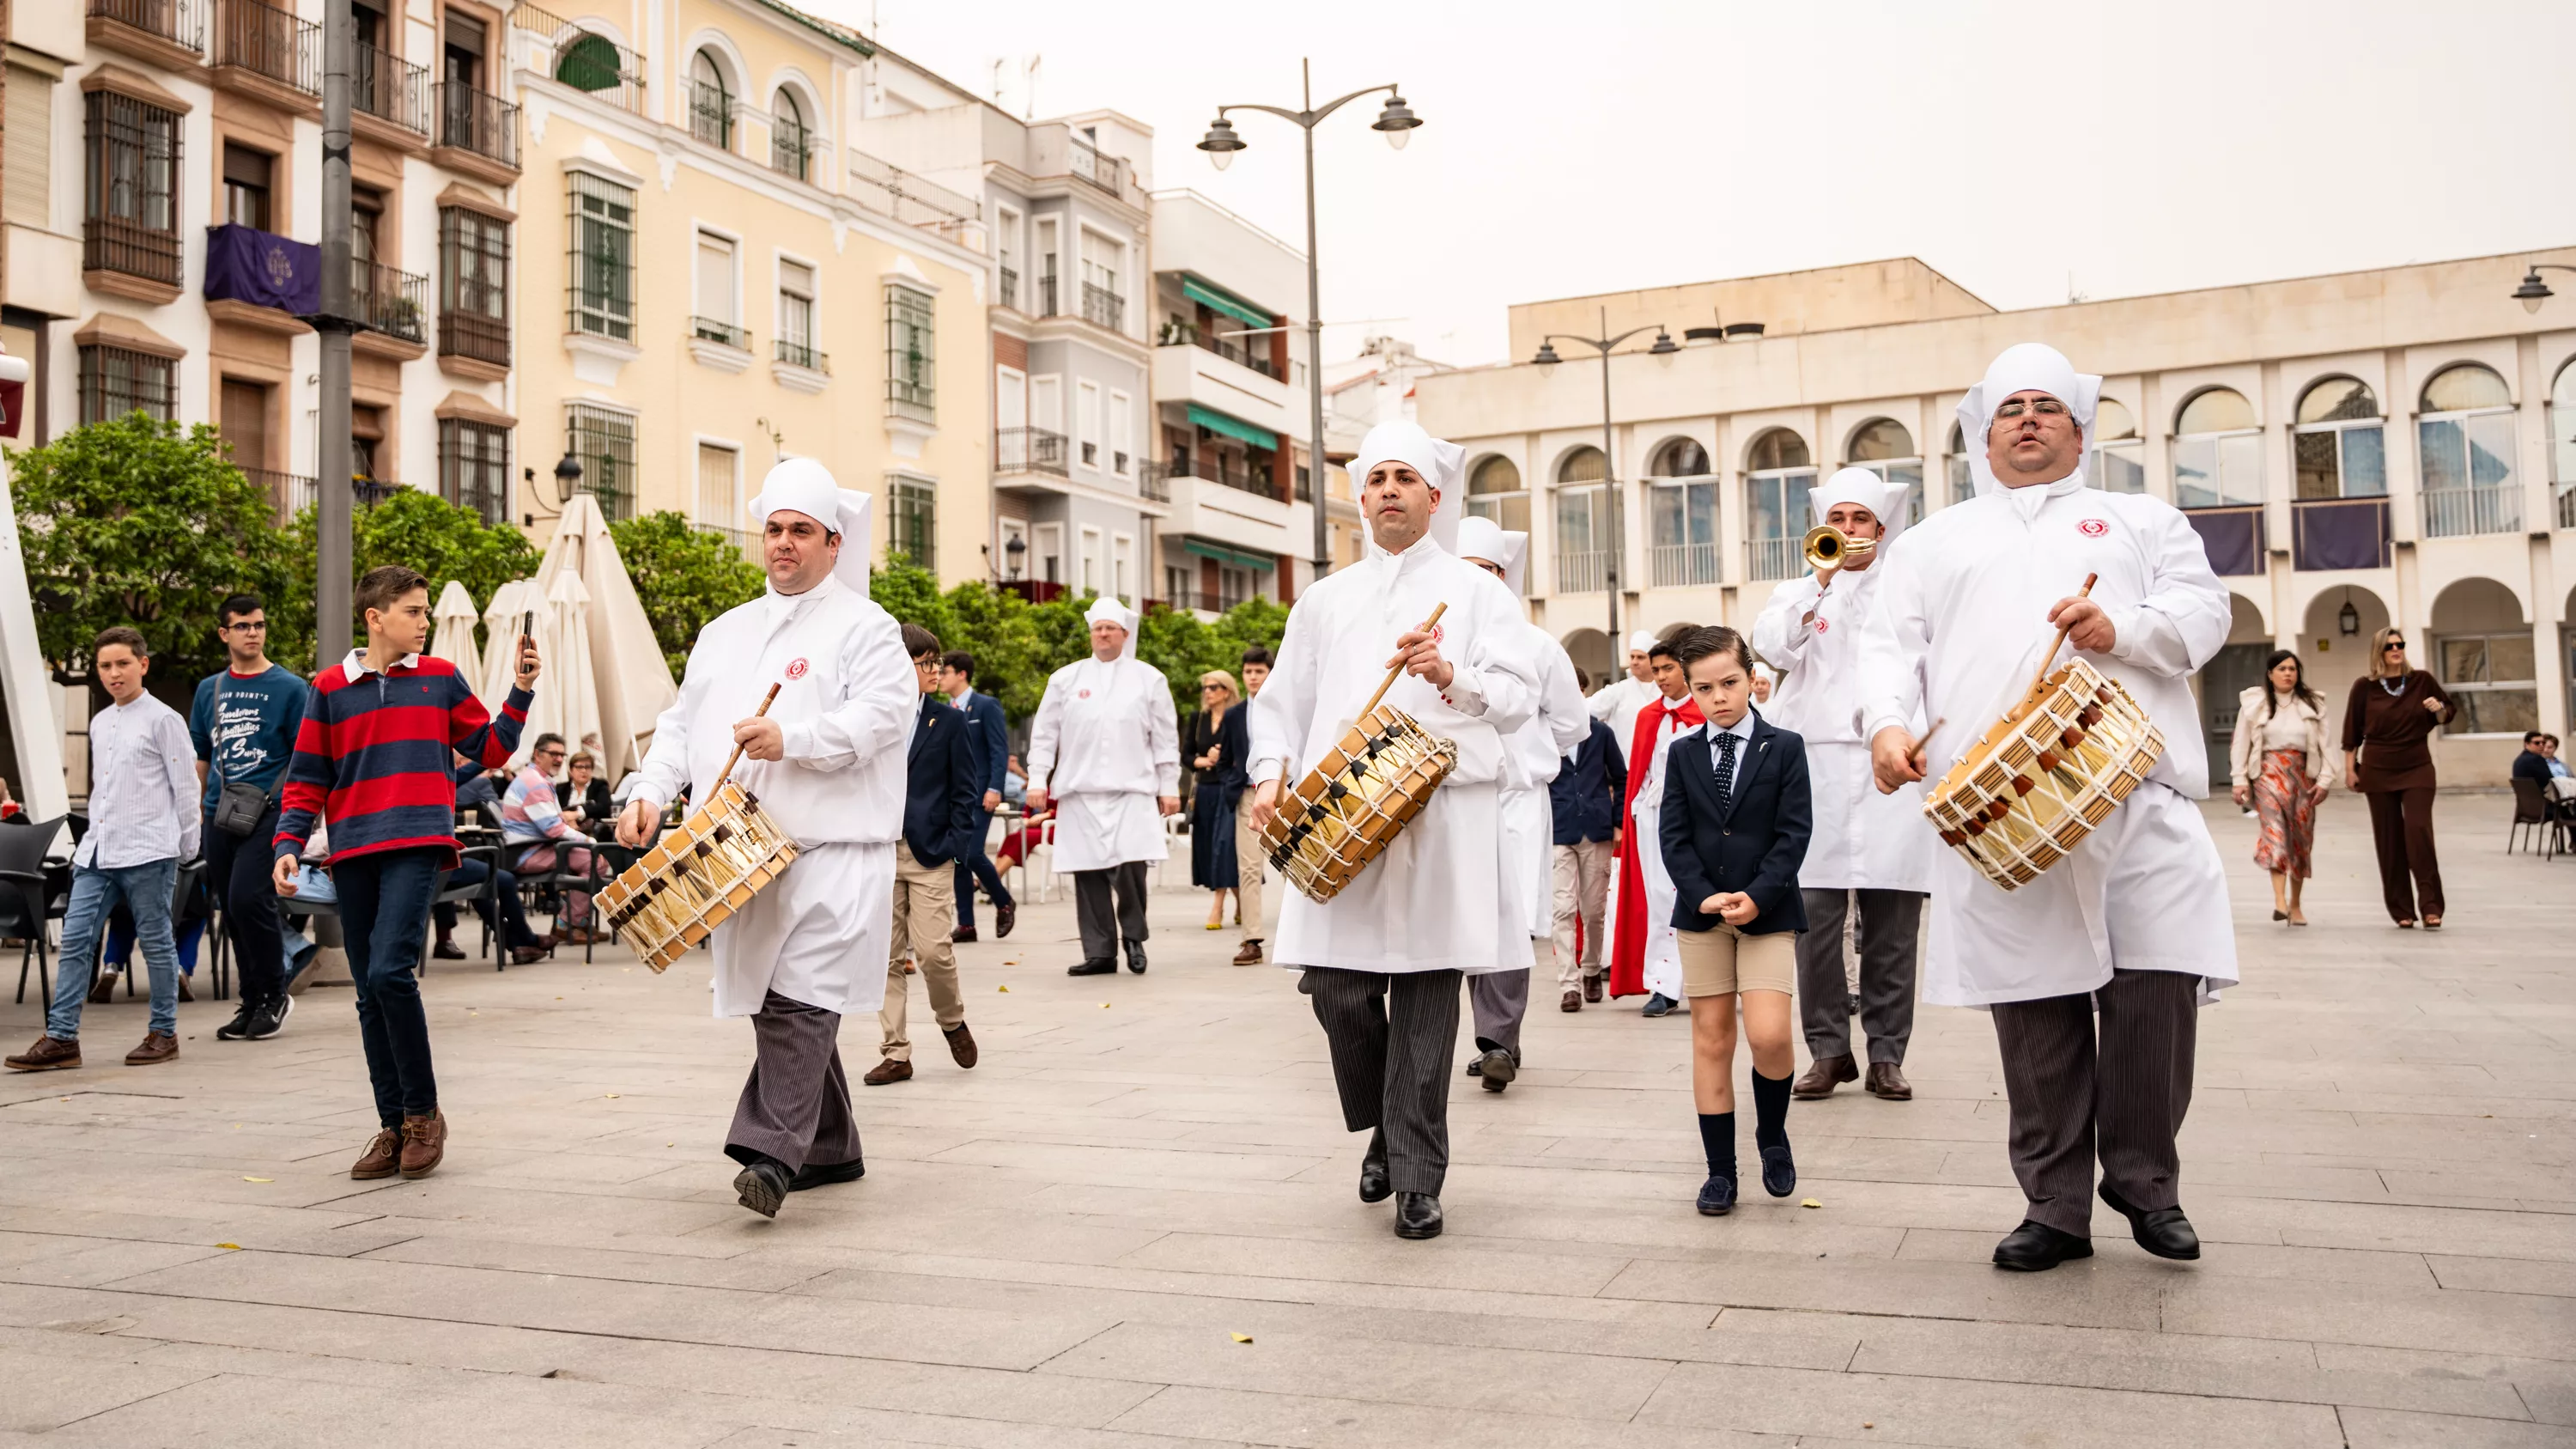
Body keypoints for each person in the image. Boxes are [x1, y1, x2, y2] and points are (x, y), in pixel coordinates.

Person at [1860, 341, 2235, 1272]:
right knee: (2035, 1011)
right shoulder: (1931, 542)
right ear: (1984, 436)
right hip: (2001, 811)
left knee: (2157, 989)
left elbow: (2206, 611)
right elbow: (1885, 650)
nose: (2028, 417)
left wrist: (2127, 629)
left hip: (2134, 795)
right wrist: (1886, 728)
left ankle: (2146, 1181)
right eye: (2010, 407)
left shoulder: (2139, 519)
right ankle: (2056, 1205)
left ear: (2079, 429)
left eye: (2047, 406)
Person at [1248, 420, 1542, 1241]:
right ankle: (1386, 1121)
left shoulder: (1480, 593)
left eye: (1404, 478)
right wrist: (1269, 776)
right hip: (1337, 817)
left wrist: (1451, 673)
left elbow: (1520, 696)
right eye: (1375, 478)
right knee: (1336, 988)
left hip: (1441, 817)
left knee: (1423, 995)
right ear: (1361, 498)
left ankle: (1415, 1174)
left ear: (1434, 497)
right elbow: (1281, 707)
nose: (1387, 490)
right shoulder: (1324, 599)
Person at [615, 459, 914, 1219]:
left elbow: (885, 717)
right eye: (775, 530)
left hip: (836, 848)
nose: (783, 543)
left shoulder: (867, 628)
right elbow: (681, 728)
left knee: (801, 998)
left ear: (833, 543)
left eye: (801, 531)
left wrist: (797, 736)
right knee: (776, 1002)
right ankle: (833, 1144)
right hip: (738, 852)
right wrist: (650, 791)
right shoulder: (723, 632)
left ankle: (770, 1153)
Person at [273, 566, 539, 1179]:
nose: (424, 622)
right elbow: (308, 775)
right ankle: (392, 1124)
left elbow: (493, 749)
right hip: (353, 849)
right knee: (369, 991)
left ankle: (424, 1114)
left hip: (419, 842)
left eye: (425, 611)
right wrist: (288, 841)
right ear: (376, 617)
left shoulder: (442, 679)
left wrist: (520, 689)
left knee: (392, 971)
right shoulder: (330, 687)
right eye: (414, 611)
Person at [1752, 468, 1933, 1103]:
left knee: (1893, 923)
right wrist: (1819, 582)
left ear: (1882, 529)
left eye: (1861, 521)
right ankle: (1828, 1049)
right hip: (1817, 769)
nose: (1849, 532)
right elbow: (1771, 647)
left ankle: (1887, 1053)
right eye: (1839, 521)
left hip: (1892, 764)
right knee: (1816, 923)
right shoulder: (1798, 588)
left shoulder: (1909, 590)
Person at [1660, 626, 1811, 1216]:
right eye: (1704, 688)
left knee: (1770, 1033)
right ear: (1690, 693)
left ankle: (1772, 1134)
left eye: (1729, 682)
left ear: (1752, 677)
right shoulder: (1683, 753)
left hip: (1768, 909)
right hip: (1702, 916)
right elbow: (1672, 834)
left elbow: (1794, 831)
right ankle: (1720, 1172)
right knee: (1712, 1037)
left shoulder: (1786, 747)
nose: (1718, 696)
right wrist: (1702, 895)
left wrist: (1756, 892)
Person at [5, 628, 199, 1074]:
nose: (114, 674)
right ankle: (61, 1038)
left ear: (142, 665)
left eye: (122, 664)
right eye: (105, 666)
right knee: (74, 942)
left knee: (155, 944)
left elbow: (187, 788)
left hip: (149, 851)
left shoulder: (163, 719)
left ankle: (164, 1032)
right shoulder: (99, 721)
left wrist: (186, 847)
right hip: (97, 853)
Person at [1457, 516, 1589, 1089]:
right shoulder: (1441, 642)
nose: (1477, 582)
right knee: (1461, 917)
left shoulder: (1538, 645)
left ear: (1503, 576)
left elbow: (1571, 722)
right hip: (1456, 796)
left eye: (1486, 571)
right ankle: (1491, 1034)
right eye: (1466, 572)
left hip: (1515, 798)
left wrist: (1525, 755)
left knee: (1507, 917)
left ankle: (1498, 1040)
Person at [1027, 596, 1179, 977]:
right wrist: (1036, 779)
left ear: (1125, 635)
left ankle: (1134, 937)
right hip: (1080, 792)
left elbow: (1165, 738)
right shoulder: (1065, 679)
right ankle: (1099, 952)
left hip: (1133, 791)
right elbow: (1044, 735)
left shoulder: (1150, 678)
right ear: (1091, 634)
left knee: (1131, 868)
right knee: (1088, 874)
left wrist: (1170, 786)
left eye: (1111, 628)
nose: (1103, 634)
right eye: (1098, 628)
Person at [869, 623, 983, 1087]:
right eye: (926, 663)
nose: (936, 670)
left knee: (935, 952)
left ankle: (952, 1020)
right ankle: (896, 1053)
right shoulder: (872, 718)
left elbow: (965, 789)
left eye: (937, 663)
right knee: (886, 958)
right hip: (879, 849)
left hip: (930, 853)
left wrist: (957, 846)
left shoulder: (949, 720)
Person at [190, 592, 307, 1041]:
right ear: (225, 633)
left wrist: (301, 815)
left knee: (247, 900)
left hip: (271, 811)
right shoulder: (209, 689)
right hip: (218, 813)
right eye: (243, 626)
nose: (253, 633)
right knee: (232, 912)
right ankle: (252, 999)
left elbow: (304, 757)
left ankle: (276, 993)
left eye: (258, 625)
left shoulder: (291, 688)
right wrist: (195, 812)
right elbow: (202, 755)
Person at [1607, 634, 1703, 1016]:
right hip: (1652, 819)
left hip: (1697, 819)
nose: (1661, 676)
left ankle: (1708, 979)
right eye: (1657, 669)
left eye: (1668, 668)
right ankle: (1664, 985)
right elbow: (1639, 771)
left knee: (1695, 895)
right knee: (1660, 898)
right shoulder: (1648, 716)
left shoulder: (1704, 711)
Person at [2342, 628, 2455, 929]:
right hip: (2378, 769)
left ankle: (2431, 906)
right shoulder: (2364, 687)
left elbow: (2447, 714)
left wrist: (2439, 708)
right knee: (2388, 839)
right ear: (2379, 651)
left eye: (2400, 644)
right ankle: (2401, 909)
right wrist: (2350, 769)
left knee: (2418, 832)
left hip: (2417, 766)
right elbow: (2352, 731)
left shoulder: (2422, 681)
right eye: (2390, 646)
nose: (2396, 649)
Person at [2230, 650, 2330, 927]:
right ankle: (2280, 902)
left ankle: (2296, 905)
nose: (2288, 673)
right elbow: (2241, 743)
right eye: (2282, 669)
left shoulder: (2312, 704)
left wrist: (2325, 780)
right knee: (2275, 835)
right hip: (2268, 777)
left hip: (2303, 778)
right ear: (2270, 673)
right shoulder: (2255, 704)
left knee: (2300, 840)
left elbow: (2327, 745)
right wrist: (2239, 779)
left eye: (2293, 669)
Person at [938, 650, 1015, 942]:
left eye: (945, 672)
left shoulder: (985, 706)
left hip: (982, 793)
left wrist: (995, 788)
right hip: (953, 796)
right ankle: (967, 924)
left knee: (971, 852)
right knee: (958, 858)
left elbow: (998, 750)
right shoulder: (945, 709)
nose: (939, 676)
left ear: (962, 675)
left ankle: (1004, 900)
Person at [1550, 714, 1624, 1010]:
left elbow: (1621, 777)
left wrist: (1618, 822)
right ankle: (1569, 984)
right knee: (1562, 909)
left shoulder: (1601, 732)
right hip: (1557, 828)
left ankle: (1591, 969)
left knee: (1594, 910)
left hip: (1596, 828)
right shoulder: (1545, 730)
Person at [501, 734, 599, 943]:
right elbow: (553, 830)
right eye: (553, 754)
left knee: (585, 859)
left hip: (530, 848)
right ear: (537, 754)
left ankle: (578, 921)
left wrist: (568, 826)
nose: (559, 759)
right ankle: (567, 923)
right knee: (595, 861)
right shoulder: (534, 782)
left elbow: (552, 822)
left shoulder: (535, 778)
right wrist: (588, 841)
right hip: (526, 852)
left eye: (562, 755)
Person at [1187, 670, 1249, 931]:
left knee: (1224, 847)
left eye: (1213, 687)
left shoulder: (1238, 717)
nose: (1207, 692)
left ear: (1226, 690)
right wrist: (1204, 760)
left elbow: (1246, 752)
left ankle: (1218, 905)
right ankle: (1242, 903)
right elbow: (1186, 755)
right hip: (1204, 791)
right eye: (1205, 688)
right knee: (1209, 848)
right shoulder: (1198, 719)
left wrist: (1224, 757)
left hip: (1230, 790)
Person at [1231, 645, 1273, 965]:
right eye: (1248, 672)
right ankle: (1251, 939)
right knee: (1248, 868)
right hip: (1247, 796)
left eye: (1259, 671)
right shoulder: (1234, 715)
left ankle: (1314, 936)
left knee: (1299, 865)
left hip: (1287, 795)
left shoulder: (1284, 706)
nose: (1253, 677)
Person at [1586, 630, 1662, 764]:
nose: (1634, 662)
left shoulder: (1663, 690)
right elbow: (1586, 710)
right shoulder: (1618, 690)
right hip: (1625, 768)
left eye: (1640, 657)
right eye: (1632, 657)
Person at [556, 751, 614, 830]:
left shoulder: (600, 785)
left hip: (592, 831)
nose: (584, 771)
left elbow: (604, 808)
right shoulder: (561, 788)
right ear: (571, 770)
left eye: (587, 767)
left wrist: (578, 814)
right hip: (564, 829)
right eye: (579, 767)